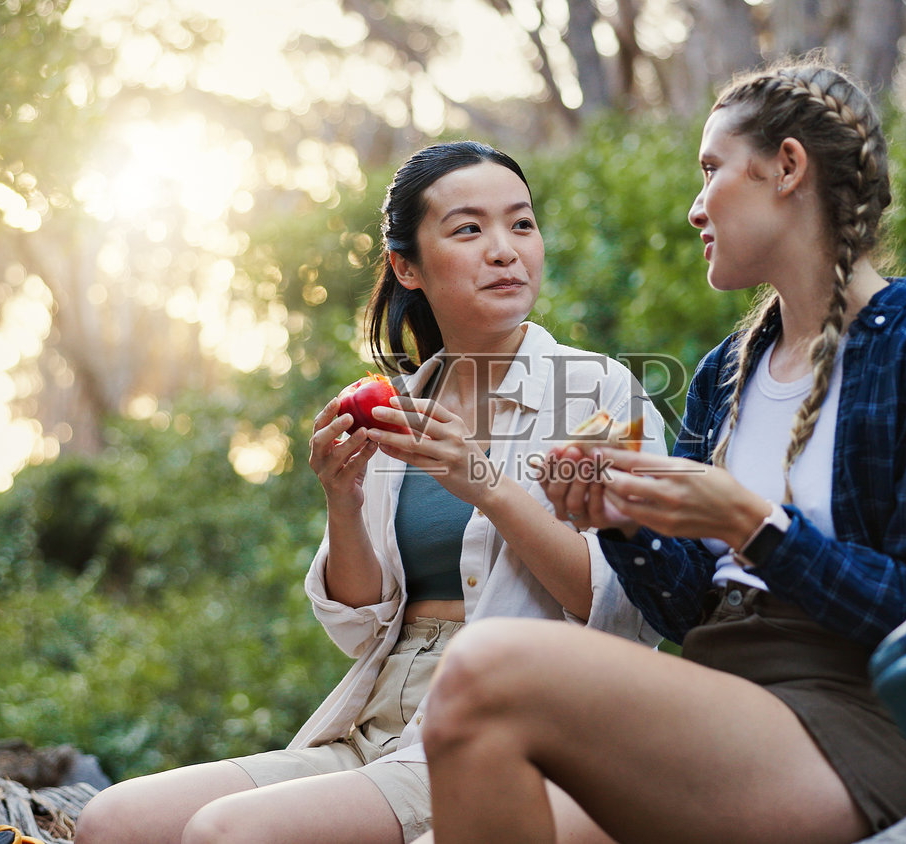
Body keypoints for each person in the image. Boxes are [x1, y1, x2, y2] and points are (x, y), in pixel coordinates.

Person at [414, 58, 906, 843]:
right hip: (719, 697)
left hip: (854, 725)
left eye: (711, 171)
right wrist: (620, 518)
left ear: (786, 168)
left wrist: (756, 526)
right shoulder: (727, 371)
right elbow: (683, 608)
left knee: (482, 666)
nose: (694, 208)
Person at [74, 141, 662, 844]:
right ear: (406, 266)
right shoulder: (399, 406)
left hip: (492, 731)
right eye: (469, 229)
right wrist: (343, 503)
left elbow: (626, 608)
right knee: (114, 821)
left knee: (228, 835)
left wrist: (482, 482)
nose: (505, 250)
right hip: (375, 720)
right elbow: (357, 627)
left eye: (522, 224)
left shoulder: (598, 391)